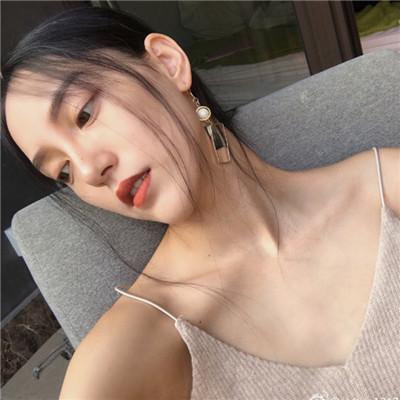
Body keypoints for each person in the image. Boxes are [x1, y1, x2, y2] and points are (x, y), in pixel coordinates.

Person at [2, 5, 399, 400]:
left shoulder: (383, 188)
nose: (89, 171)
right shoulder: (131, 348)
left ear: (167, 63)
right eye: (63, 172)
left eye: (84, 114)